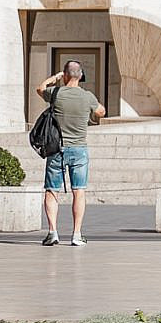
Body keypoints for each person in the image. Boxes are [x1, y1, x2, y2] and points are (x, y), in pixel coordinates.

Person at [38, 60, 102, 248]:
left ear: (65, 75)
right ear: (80, 76)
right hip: (79, 149)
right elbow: (101, 111)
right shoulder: (87, 96)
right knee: (79, 191)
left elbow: (40, 88)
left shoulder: (56, 93)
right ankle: (76, 234)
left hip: (57, 148)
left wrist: (54, 78)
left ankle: (52, 232)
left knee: (51, 190)